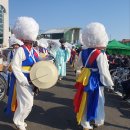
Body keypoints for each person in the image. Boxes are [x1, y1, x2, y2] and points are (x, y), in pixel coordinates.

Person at [73, 22, 114, 130]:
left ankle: (85, 123)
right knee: (98, 101)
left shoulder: (83, 52)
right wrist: (110, 84)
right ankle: (97, 120)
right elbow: (104, 71)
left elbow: (78, 65)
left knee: (84, 100)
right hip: (96, 80)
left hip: (85, 78)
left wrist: (81, 72)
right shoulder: (100, 54)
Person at [7, 16, 39, 130]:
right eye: (29, 39)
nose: (31, 41)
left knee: (28, 103)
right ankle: (18, 121)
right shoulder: (20, 50)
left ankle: (20, 120)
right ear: (25, 38)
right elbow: (15, 67)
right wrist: (23, 80)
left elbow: (39, 62)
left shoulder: (33, 51)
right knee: (27, 102)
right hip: (23, 79)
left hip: (32, 79)